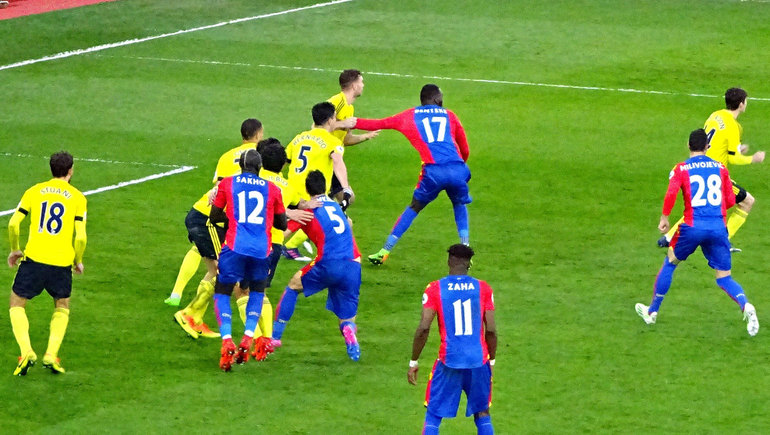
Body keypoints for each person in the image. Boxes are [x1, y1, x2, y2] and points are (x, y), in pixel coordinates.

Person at [637, 129, 759, 336]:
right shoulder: (721, 168)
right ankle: (746, 305)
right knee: (724, 278)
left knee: (671, 262)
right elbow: (730, 200)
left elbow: (671, 193)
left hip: (692, 227)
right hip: (718, 228)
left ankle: (652, 312)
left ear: (688, 145)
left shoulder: (681, 168)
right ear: (707, 147)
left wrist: (665, 217)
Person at [340, 84, 470, 265]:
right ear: (437, 100)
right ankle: (466, 250)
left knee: (414, 207)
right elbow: (465, 148)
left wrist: (351, 122)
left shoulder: (409, 116)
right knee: (459, 203)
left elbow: (379, 123)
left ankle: (384, 250)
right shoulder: (450, 115)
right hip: (457, 169)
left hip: (433, 172)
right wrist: (459, 169)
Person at [164, 118, 264, 307]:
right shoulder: (260, 157)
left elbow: (218, 186)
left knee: (203, 253)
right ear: (259, 134)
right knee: (225, 268)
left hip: (213, 213)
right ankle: (194, 312)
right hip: (218, 217)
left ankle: (181, 300)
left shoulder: (227, 156)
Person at [282, 69, 378, 259]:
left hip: (306, 176)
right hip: (318, 172)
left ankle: (347, 256)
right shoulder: (337, 102)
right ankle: (346, 257)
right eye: (362, 81)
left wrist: (365, 136)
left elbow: (344, 139)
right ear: (353, 84)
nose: (364, 85)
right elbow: (319, 128)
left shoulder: (301, 138)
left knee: (343, 212)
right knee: (318, 216)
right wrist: (346, 185)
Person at [7, 151, 87, 375]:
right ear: (70, 170)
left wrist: (15, 249)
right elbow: (80, 237)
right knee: (62, 306)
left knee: (17, 303)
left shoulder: (34, 191)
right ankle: (51, 355)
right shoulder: (78, 198)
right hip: (61, 263)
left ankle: (26, 351)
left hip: (33, 259)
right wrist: (77, 260)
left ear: (51, 169)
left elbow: (14, 224)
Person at [271, 170, 363, 361]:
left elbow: (283, 233)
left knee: (293, 285)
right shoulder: (336, 206)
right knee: (346, 317)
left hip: (329, 263)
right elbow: (349, 224)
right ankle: (349, 333)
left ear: (306, 190)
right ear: (327, 188)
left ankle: (275, 338)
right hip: (353, 265)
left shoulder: (307, 211)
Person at [658, 88, 765, 251]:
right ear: (741, 104)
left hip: (700, 165)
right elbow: (734, 158)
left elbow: (713, 142)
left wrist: (735, 149)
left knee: (699, 207)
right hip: (715, 173)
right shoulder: (733, 126)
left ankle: (668, 237)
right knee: (747, 202)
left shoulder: (715, 115)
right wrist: (753, 159)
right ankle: (722, 241)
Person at [209, 149, 287, 371]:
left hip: (235, 246)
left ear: (241, 167)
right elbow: (281, 224)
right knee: (257, 291)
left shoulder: (228, 184)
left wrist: (232, 220)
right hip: (262, 249)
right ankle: (249, 337)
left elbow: (214, 216)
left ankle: (226, 340)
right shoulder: (272, 189)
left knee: (222, 290)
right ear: (260, 168)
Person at [407, 244, 496, 434]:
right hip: (479, 361)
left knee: (433, 415)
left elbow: (423, 328)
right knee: (482, 412)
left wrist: (414, 361)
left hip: (449, 361)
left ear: (449, 261)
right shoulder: (483, 288)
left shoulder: (435, 288)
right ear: (469, 263)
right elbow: (491, 330)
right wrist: (492, 360)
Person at [255, 137, 315, 360]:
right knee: (259, 291)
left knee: (236, 286)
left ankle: (256, 337)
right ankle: (265, 338)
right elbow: (302, 205)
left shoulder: (253, 178)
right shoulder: (287, 188)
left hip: (244, 239)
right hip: (272, 245)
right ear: (283, 165)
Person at [282, 102, 355, 262]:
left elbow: (284, 161)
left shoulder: (298, 138)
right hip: (312, 198)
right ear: (330, 120)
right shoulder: (332, 142)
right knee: (284, 232)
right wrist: (345, 187)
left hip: (291, 194)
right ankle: (339, 261)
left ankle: (339, 259)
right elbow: (337, 161)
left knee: (345, 222)